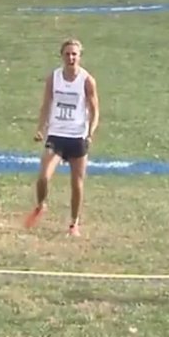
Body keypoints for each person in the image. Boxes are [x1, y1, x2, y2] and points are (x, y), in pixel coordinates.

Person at [24, 39, 100, 236]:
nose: (71, 58)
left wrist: (90, 133)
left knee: (77, 183)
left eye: (74, 54)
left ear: (80, 56)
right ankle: (41, 205)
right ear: (62, 56)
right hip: (57, 135)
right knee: (43, 177)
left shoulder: (86, 80)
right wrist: (40, 128)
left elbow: (94, 110)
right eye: (67, 54)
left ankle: (74, 223)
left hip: (77, 137)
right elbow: (46, 104)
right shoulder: (54, 78)